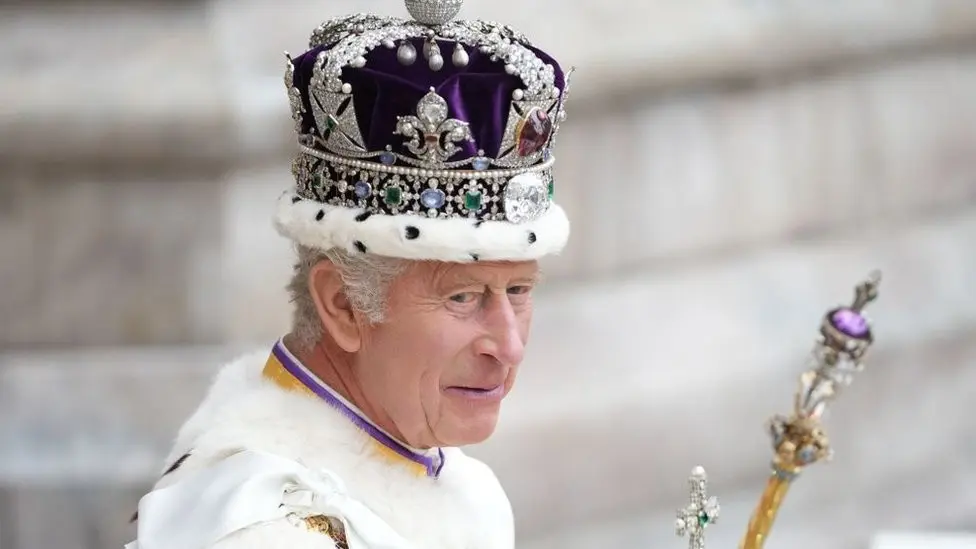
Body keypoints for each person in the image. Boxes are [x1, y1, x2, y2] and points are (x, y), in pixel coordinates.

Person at [126, 0, 572, 548]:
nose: (509, 347)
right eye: (462, 296)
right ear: (343, 305)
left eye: (519, 290)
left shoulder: (457, 482)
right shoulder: (269, 532)